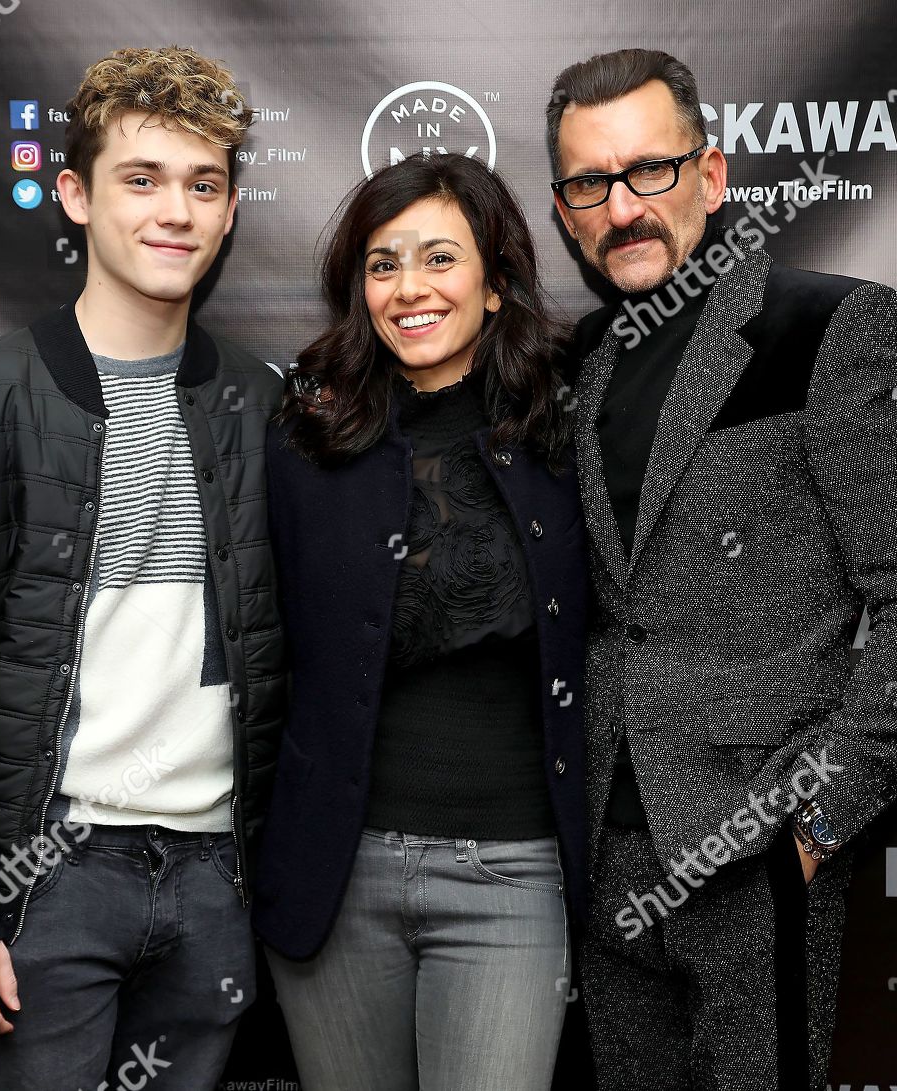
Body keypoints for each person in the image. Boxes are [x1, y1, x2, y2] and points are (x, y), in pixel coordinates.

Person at [544, 48, 897, 1090]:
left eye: (650, 169)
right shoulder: (575, 364)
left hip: (756, 847)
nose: (623, 207)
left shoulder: (828, 327)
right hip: (601, 858)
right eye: (590, 184)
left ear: (711, 174)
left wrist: (814, 822)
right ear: (564, 211)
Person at [0, 45, 285, 1091]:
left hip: (217, 881)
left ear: (232, 210)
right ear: (75, 197)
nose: (175, 212)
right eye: (141, 179)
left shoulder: (262, 404)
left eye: (204, 185)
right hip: (41, 881)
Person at [252, 152, 589, 1091]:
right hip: (338, 877)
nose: (410, 289)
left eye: (441, 258)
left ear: (495, 281)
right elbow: (261, 645)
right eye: (383, 263)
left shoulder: (566, 428)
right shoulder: (307, 432)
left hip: (513, 875)